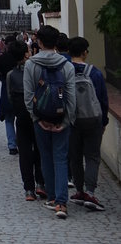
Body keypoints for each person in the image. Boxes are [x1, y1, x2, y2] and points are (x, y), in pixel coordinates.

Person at [23, 24, 76, 219]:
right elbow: (71, 98)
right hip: (62, 118)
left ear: (39, 41)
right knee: (61, 157)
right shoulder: (66, 65)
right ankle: (62, 202)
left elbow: (28, 96)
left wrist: (37, 118)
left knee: (45, 157)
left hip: (41, 119)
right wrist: (67, 120)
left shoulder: (31, 64)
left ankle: (52, 197)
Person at [67, 35, 109, 212]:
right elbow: (102, 100)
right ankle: (90, 192)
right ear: (85, 52)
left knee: (75, 156)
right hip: (92, 120)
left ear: (69, 52)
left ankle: (78, 190)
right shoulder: (95, 73)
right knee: (92, 156)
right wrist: (104, 120)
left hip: (72, 120)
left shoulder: (65, 71)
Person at [4, 40, 46, 201]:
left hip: (21, 117)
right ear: (26, 54)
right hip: (37, 116)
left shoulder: (10, 75)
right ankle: (41, 183)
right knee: (40, 150)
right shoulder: (36, 71)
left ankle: (28, 189)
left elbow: (9, 96)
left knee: (25, 154)